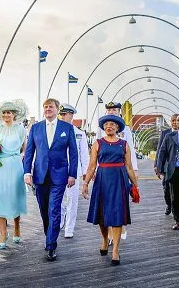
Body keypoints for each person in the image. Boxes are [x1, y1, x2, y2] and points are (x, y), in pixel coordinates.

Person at [23, 98, 78, 262]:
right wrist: (27, 172)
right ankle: (50, 235)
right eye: (45, 107)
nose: (48, 109)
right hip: (40, 175)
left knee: (54, 209)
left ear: (57, 109)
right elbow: (29, 152)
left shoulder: (66, 128)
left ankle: (51, 245)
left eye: (51, 107)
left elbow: (73, 153)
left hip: (59, 176)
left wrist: (72, 174)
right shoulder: (36, 128)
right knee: (44, 210)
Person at [82, 114, 138, 266]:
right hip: (102, 180)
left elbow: (129, 167)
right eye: (106, 125)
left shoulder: (124, 144)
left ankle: (116, 250)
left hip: (119, 180)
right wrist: (85, 183)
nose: (109, 127)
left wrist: (135, 186)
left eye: (112, 124)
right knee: (102, 214)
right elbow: (92, 166)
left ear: (118, 128)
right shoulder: (97, 143)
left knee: (118, 214)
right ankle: (105, 239)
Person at [0, 100, 28, 249]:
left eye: (9, 112)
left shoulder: (20, 129)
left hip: (15, 165)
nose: (6, 115)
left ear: (14, 114)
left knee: (14, 196)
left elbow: (25, 149)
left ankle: (17, 227)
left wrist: (20, 157)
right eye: (4, 112)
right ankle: (3, 233)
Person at [58, 104, 90, 238]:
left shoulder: (79, 133)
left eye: (66, 114)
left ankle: (69, 228)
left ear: (71, 115)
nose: (63, 117)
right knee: (58, 200)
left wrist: (86, 173)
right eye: (62, 114)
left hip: (73, 171)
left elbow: (84, 155)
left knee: (72, 200)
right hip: (58, 171)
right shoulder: (55, 131)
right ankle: (59, 222)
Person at [155, 114, 178, 215]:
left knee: (177, 190)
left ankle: (175, 208)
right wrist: (157, 165)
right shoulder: (165, 133)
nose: (174, 123)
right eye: (172, 121)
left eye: (175, 120)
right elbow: (160, 150)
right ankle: (168, 204)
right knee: (166, 188)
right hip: (167, 167)